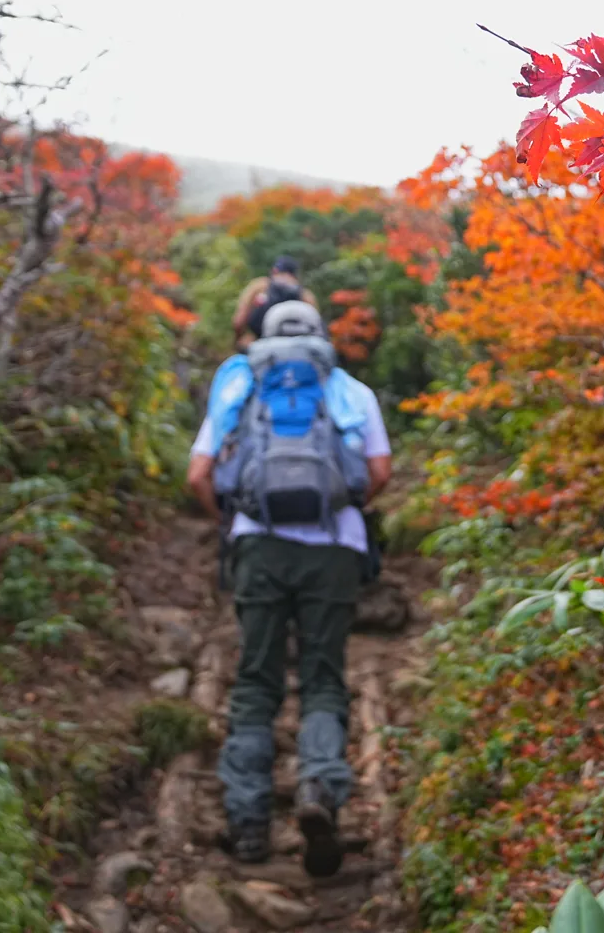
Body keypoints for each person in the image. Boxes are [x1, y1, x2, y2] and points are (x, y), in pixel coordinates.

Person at [186, 298, 392, 874]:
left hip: (259, 545)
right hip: (334, 548)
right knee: (324, 677)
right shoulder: (349, 388)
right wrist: (349, 508)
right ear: (321, 336)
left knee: (255, 682)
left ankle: (248, 825)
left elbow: (198, 474)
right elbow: (379, 471)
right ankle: (319, 791)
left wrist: (231, 523)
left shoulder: (240, 381)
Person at [233, 256, 315, 351]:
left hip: (258, 344)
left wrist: (238, 342)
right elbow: (315, 327)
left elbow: (238, 322)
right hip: (297, 349)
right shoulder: (305, 295)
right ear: (295, 275)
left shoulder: (259, 286)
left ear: (274, 271)